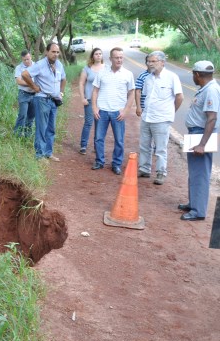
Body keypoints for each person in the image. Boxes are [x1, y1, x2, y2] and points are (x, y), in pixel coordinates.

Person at [178, 61, 219, 221]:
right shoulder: (205, 89)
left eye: (193, 74)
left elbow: (212, 118)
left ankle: (198, 211)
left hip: (202, 135)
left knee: (200, 174)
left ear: (197, 74)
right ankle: (193, 203)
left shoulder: (212, 91)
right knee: (194, 173)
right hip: (196, 133)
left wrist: (202, 144)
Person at [137, 51, 183, 185]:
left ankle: (161, 173)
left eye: (153, 61)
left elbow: (180, 97)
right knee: (144, 145)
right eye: (149, 61)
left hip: (162, 119)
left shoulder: (171, 77)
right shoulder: (148, 78)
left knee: (160, 148)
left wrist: (171, 111)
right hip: (147, 117)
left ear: (162, 62)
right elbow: (145, 96)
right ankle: (144, 169)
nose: (150, 64)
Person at [91, 47, 135, 175]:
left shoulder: (128, 74)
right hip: (102, 111)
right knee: (99, 138)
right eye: (116, 57)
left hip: (118, 112)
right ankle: (99, 161)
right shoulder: (101, 73)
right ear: (110, 59)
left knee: (119, 140)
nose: (119, 60)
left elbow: (131, 93)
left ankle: (116, 164)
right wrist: (94, 107)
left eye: (121, 57)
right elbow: (95, 90)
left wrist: (126, 110)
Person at [21, 43, 66, 161]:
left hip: (54, 101)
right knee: (42, 128)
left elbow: (63, 79)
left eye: (57, 52)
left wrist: (61, 92)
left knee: (51, 128)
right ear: (47, 52)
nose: (55, 54)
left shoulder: (59, 64)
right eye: (53, 52)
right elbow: (25, 74)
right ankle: (39, 155)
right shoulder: (40, 65)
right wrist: (34, 87)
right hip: (42, 99)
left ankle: (48, 153)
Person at [78, 47, 105, 155]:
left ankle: (97, 146)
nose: (98, 55)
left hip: (102, 101)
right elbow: (81, 83)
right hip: (89, 99)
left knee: (99, 124)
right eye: (96, 54)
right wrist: (82, 98)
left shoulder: (107, 68)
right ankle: (83, 145)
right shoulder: (87, 68)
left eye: (100, 54)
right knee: (88, 122)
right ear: (92, 56)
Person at [13, 50, 36, 137]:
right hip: (24, 94)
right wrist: (32, 84)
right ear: (22, 59)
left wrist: (32, 85)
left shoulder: (36, 66)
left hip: (35, 95)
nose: (26, 61)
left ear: (31, 57)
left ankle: (27, 135)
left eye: (28, 59)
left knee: (31, 116)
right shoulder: (19, 68)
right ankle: (17, 134)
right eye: (24, 60)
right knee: (22, 115)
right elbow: (19, 81)